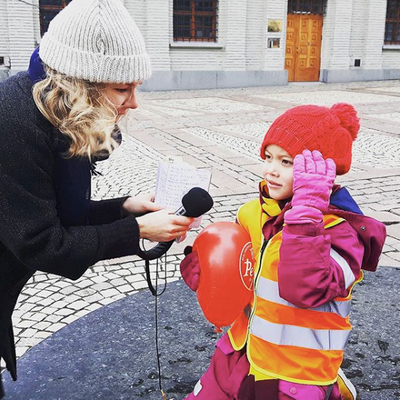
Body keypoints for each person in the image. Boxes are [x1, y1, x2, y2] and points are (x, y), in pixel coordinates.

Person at [0, 0, 194, 396]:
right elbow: (43, 243)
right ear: (80, 84)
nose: (133, 102)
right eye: (123, 89)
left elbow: (62, 215)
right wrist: (137, 229)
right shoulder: (14, 119)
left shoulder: (57, 111)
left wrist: (126, 207)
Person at [180, 103, 386, 400]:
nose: (271, 170)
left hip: (294, 376)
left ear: (321, 170)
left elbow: (304, 289)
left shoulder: (342, 232)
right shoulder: (253, 212)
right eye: (268, 157)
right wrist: (205, 271)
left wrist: (305, 218)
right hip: (237, 355)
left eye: (287, 162)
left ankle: (335, 389)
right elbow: (241, 276)